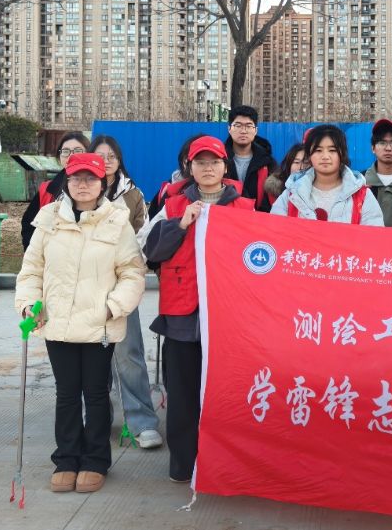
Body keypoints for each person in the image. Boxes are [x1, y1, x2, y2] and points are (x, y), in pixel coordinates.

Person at [15, 153, 146, 494]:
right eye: (76, 178)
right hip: (56, 322)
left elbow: (132, 272)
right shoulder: (48, 218)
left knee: (96, 394)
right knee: (67, 394)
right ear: (67, 182)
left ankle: (95, 460)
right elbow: (32, 270)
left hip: (98, 325)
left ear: (102, 183)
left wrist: (113, 307)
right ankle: (67, 459)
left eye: (90, 179)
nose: (82, 185)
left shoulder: (117, 221)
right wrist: (28, 304)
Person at [143, 136, 256, 483]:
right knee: (182, 393)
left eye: (214, 162)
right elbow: (151, 252)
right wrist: (180, 224)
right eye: (200, 162)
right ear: (189, 168)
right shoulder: (173, 205)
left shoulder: (246, 209)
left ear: (225, 166)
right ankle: (183, 464)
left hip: (228, 316)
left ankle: (225, 462)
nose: (208, 168)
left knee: (228, 393)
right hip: (182, 314)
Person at [87, 135, 162, 450]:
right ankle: (97, 419)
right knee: (90, 357)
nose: (106, 162)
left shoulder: (132, 194)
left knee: (128, 353)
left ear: (120, 161)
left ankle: (142, 421)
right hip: (85, 287)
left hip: (121, 284)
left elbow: (143, 237)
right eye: (100, 156)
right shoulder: (78, 191)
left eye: (112, 156)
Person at [270, 124, 384, 225]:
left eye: (332, 150)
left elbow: (373, 236)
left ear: (342, 154)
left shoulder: (362, 196)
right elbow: (275, 231)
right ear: (309, 155)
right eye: (318, 150)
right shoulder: (291, 194)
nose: (325, 156)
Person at [20, 132, 90, 249]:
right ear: (59, 156)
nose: (71, 156)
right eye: (65, 151)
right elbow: (29, 223)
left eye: (78, 151)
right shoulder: (47, 189)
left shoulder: (98, 188)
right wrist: (35, 251)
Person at [223, 105, 277, 210]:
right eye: (238, 125)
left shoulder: (267, 163)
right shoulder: (219, 159)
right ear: (229, 129)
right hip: (226, 216)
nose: (243, 131)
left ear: (255, 130)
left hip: (258, 217)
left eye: (248, 126)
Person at [262, 142, 308, 211]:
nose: (301, 167)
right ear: (289, 165)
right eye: (296, 162)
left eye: (306, 163)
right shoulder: (273, 190)